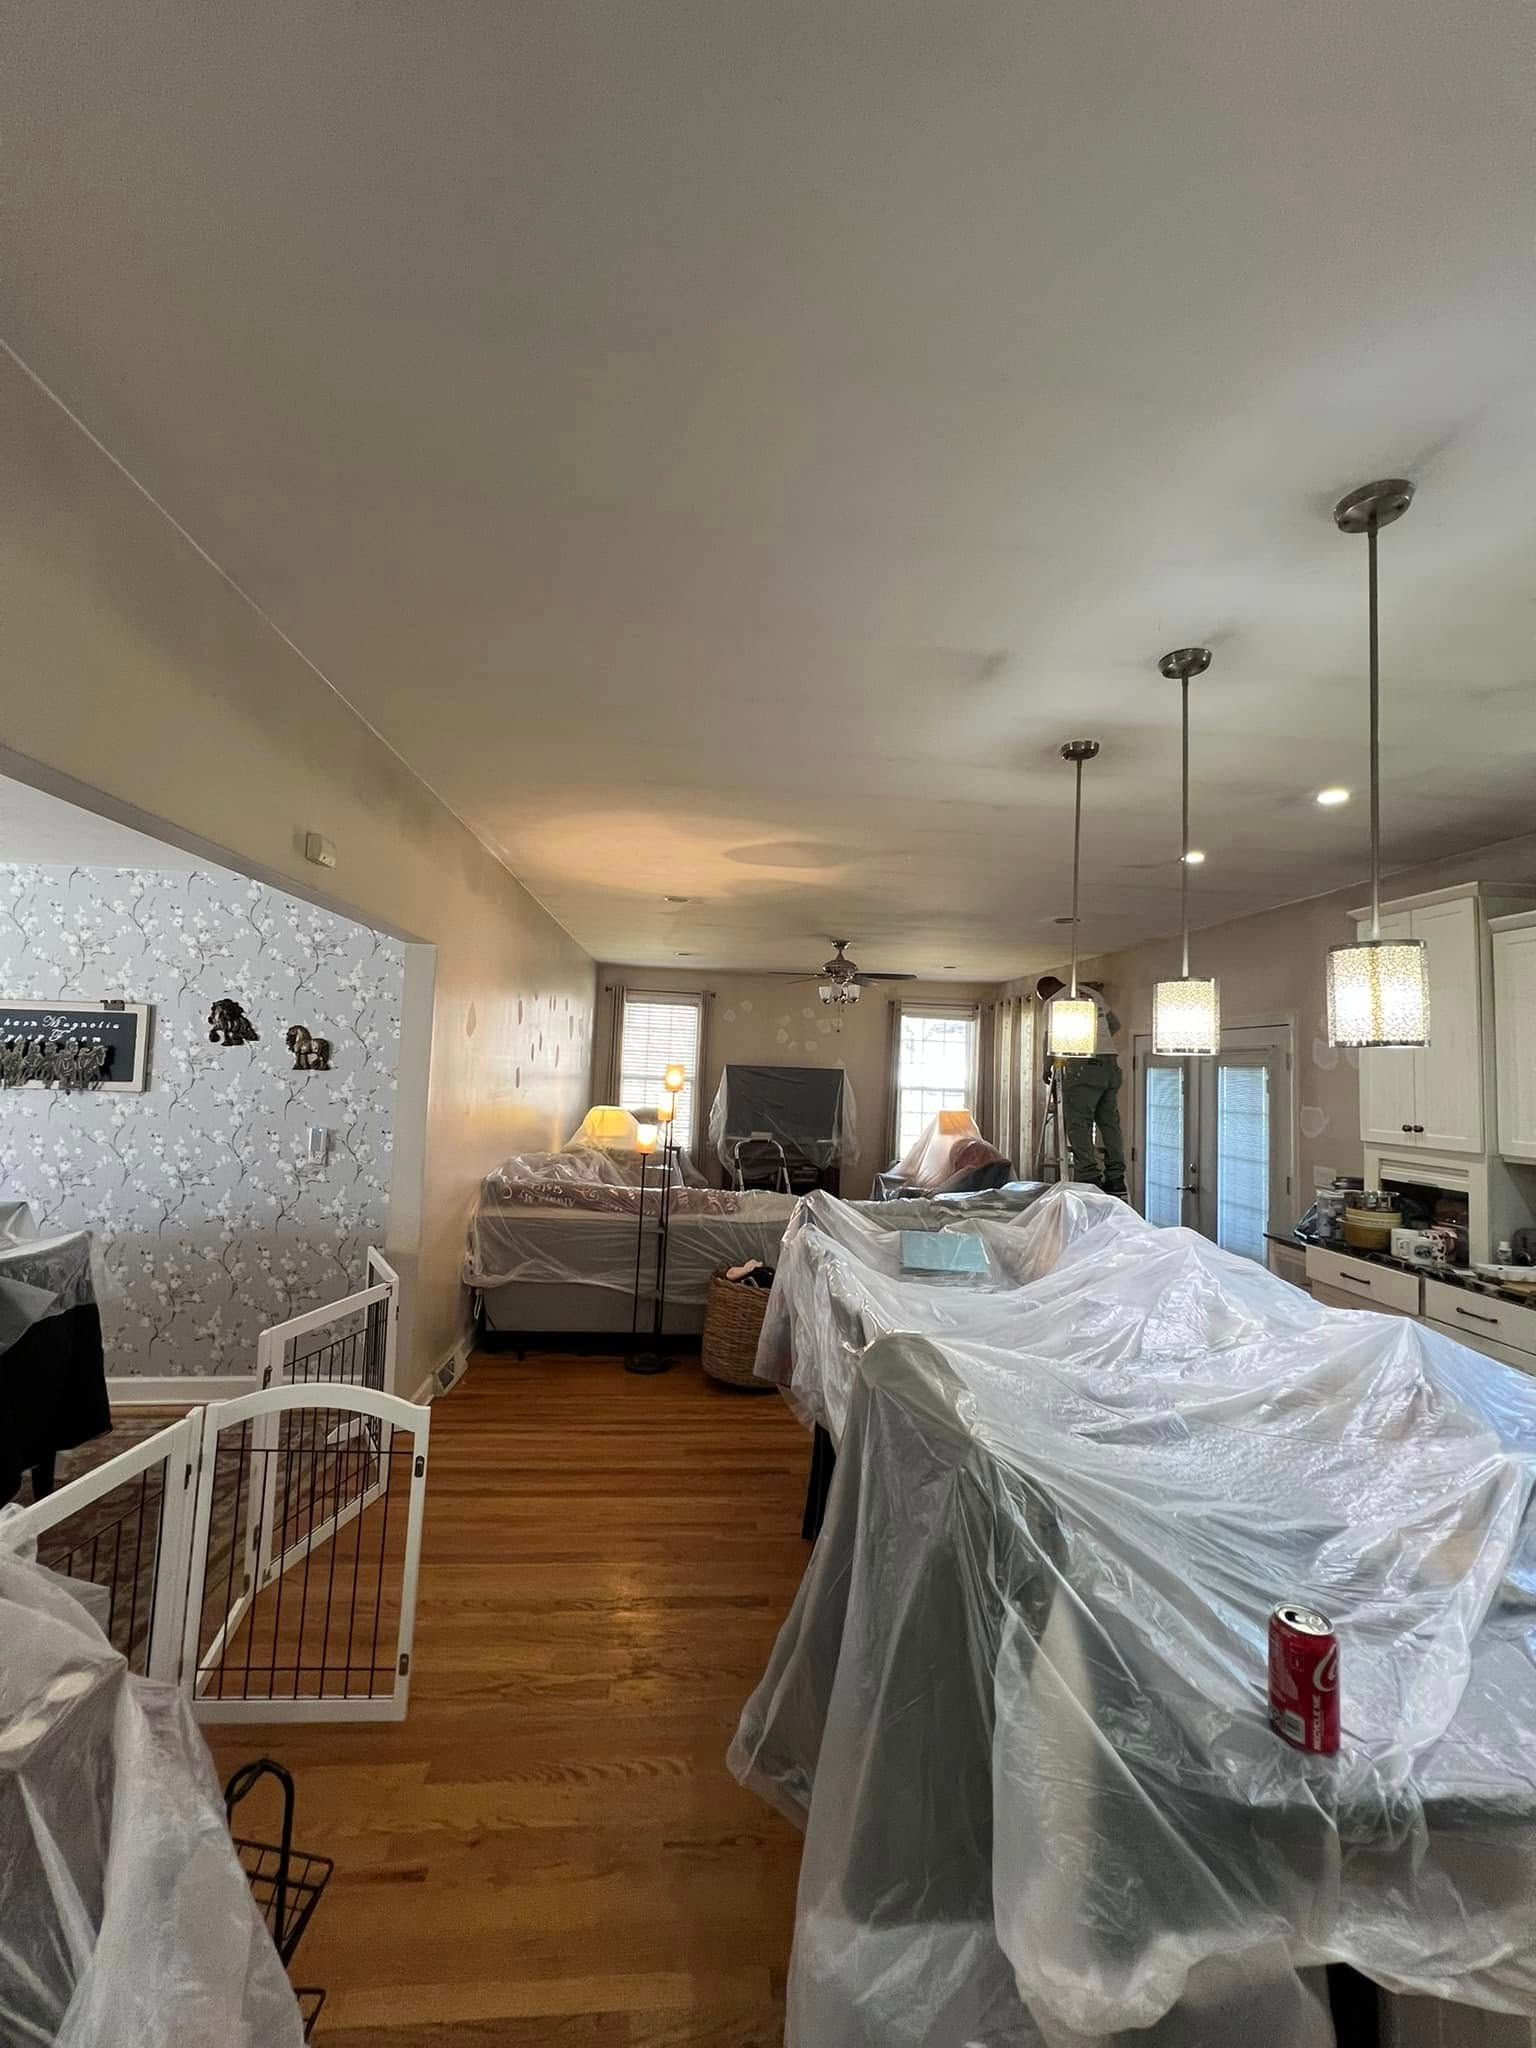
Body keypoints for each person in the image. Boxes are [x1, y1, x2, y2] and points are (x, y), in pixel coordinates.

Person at [1036, 975, 1127, 1198]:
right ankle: (1116, 1177)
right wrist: (1097, 1041)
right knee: (1109, 1123)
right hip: (1110, 1065)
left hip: (1082, 1066)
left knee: (1079, 1122)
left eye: (1042, 997)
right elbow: (1114, 1024)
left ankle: (1088, 1176)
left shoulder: (1055, 1002)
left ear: (1047, 990)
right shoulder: (1092, 993)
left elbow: (1051, 1038)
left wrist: (1047, 1068)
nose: (1044, 1000)